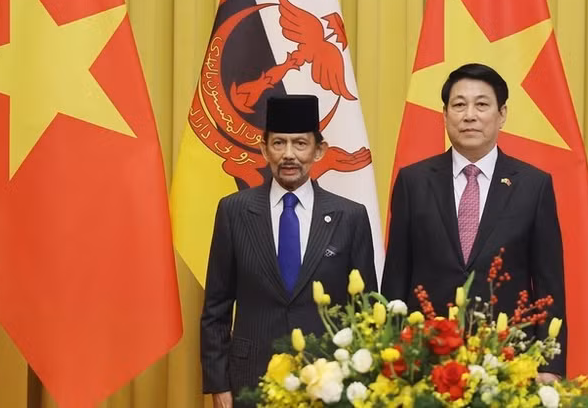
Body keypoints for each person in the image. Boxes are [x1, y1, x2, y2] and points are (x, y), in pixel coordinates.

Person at [381, 63, 566, 376]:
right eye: (459, 105)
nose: (469, 115)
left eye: (482, 104)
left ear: (502, 114)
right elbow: (397, 277)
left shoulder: (533, 185)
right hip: (425, 359)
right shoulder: (413, 181)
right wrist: (390, 355)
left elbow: (548, 283)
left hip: (508, 361)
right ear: (445, 115)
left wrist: (550, 366)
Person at [201, 95, 378, 407]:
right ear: (264, 147)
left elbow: (364, 312)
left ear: (318, 150)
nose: (289, 155)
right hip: (249, 380)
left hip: (328, 382)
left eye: (300, 144)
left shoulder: (349, 217)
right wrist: (219, 385)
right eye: (279, 143)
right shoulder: (233, 211)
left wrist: (359, 384)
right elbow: (216, 308)